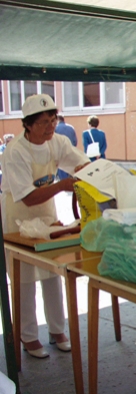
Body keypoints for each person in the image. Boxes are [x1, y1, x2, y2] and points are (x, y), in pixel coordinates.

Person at [1, 94, 90, 359]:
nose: (50, 127)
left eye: (53, 120)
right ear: (27, 125)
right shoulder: (15, 151)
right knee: (24, 277)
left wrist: (88, 171)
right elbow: (28, 197)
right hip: (18, 214)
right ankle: (28, 335)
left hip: (46, 212)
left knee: (53, 271)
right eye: (43, 122)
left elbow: (79, 163)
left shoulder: (57, 142)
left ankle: (57, 330)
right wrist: (62, 185)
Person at [55, 115, 78, 180]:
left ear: (57, 120)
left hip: (60, 153)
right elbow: (75, 141)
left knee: (62, 170)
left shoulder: (56, 128)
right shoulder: (71, 128)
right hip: (71, 151)